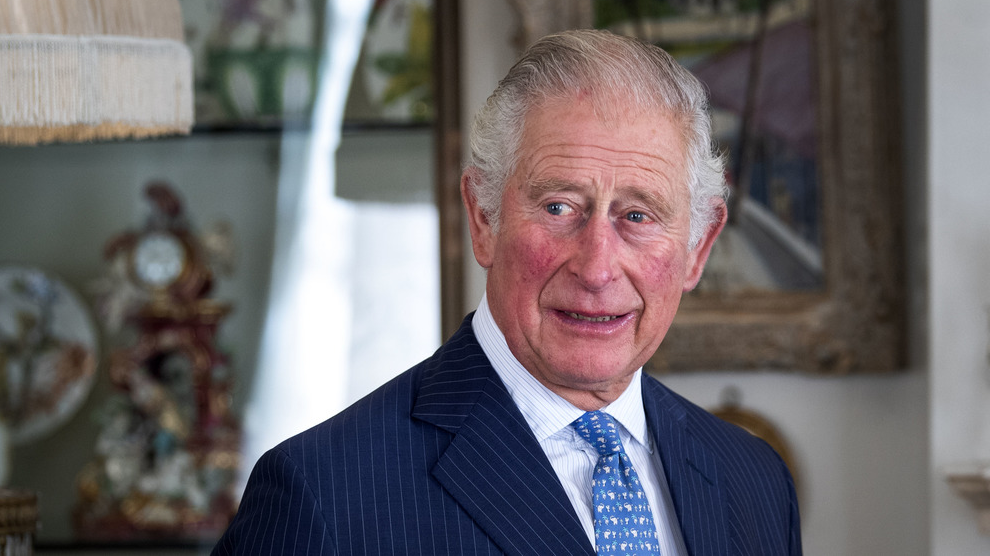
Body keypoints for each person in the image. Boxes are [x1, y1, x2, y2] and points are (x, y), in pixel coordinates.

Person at [211, 29, 801, 556]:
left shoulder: (753, 479)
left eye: (639, 216)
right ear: (484, 218)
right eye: (558, 207)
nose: (597, 268)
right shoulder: (322, 496)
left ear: (698, 247)